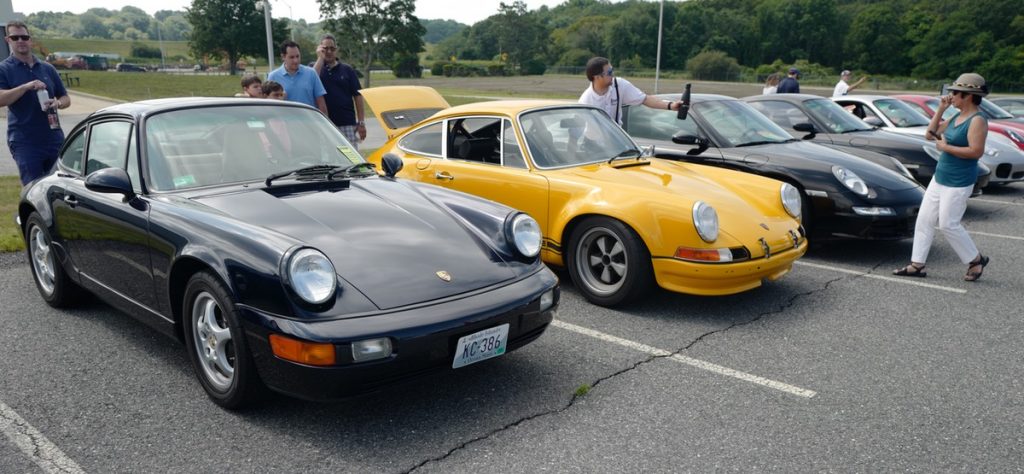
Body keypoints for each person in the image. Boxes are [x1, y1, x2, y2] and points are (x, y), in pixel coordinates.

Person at [894, 73, 990, 282]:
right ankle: (916, 264)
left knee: (948, 224)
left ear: (968, 96)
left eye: (955, 93)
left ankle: (975, 259)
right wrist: (940, 110)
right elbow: (930, 134)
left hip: (959, 180)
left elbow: (976, 152)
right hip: (941, 176)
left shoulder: (977, 120)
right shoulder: (956, 116)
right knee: (925, 219)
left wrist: (946, 147)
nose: (951, 96)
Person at [0, 21, 71, 185]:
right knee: (34, 189)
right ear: (7, 40)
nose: (20, 41)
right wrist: (26, 86)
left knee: (60, 187)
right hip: (25, 142)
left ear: (30, 39)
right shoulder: (4, 69)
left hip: (54, 138)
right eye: (15, 37)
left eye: (24, 37)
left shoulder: (47, 68)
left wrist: (57, 103)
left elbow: (65, 98)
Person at [578, 57, 680, 126]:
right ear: (597, 77)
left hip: (616, 142)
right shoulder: (585, 101)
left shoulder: (619, 85)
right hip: (594, 145)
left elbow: (645, 99)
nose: (613, 74)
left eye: (612, 70)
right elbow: (579, 126)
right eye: (609, 72)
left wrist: (671, 105)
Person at [312, 34, 366, 149]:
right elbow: (312, 80)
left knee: (351, 159)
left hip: (346, 123)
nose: (329, 51)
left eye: (332, 48)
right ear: (320, 49)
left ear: (336, 50)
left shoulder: (347, 70)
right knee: (329, 160)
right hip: (323, 123)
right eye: (325, 48)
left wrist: (361, 122)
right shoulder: (314, 67)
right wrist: (320, 58)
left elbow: (358, 96)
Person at [267, 40, 328, 115]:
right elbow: (269, 104)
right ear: (283, 57)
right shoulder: (273, 76)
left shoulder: (311, 73)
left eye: (297, 56)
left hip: (309, 122)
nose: (296, 60)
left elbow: (321, 103)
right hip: (286, 124)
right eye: (291, 57)